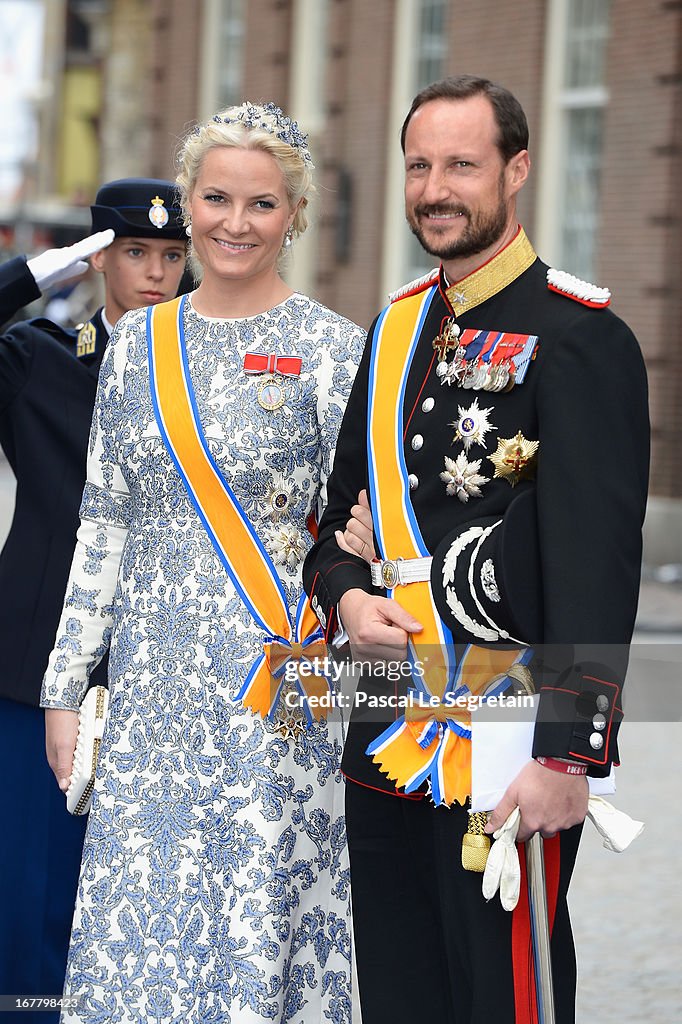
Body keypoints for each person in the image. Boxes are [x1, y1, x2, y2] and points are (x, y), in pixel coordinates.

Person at [303, 75, 649, 1024]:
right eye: (420, 165)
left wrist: (570, 758)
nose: (435, 188)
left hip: (510, 730)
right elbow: (335, 523)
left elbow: (597, 565)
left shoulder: (580, 337)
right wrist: (346, 598)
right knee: (402, 989)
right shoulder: (398, 328)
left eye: (461, 164)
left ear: (517, 169)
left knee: (503, 993)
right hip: (385, 721)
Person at [41, 102, 365, 1023]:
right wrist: (67, 684)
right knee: (145, 927)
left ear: (294, 215)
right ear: (186, 203)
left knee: (258, 922)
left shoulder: (334, 350)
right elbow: (102, 519)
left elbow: (358, 527)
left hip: (276, 688)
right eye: (216, 198)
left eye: (262, 204)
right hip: (151, 692)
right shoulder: (135, 345)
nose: (234, 222)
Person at [0, 179, 187, 1020]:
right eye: (133, 253)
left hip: (159, 673)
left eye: (171, 255)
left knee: (140, 899)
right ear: (101, 256)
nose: (153, 273)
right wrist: (43, 271)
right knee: (28, 898)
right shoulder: (42, 360)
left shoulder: (204, 372)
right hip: (33, 667)